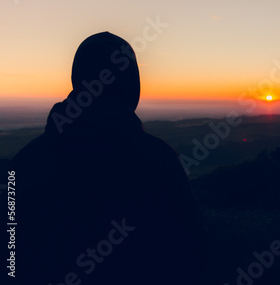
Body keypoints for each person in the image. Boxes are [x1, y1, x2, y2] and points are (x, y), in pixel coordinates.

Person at [10, 32, 206, 284]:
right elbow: (190, 254)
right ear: (131, 84)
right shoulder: (159, 161)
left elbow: (11, 259)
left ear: (77, 79)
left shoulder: (26, 161)